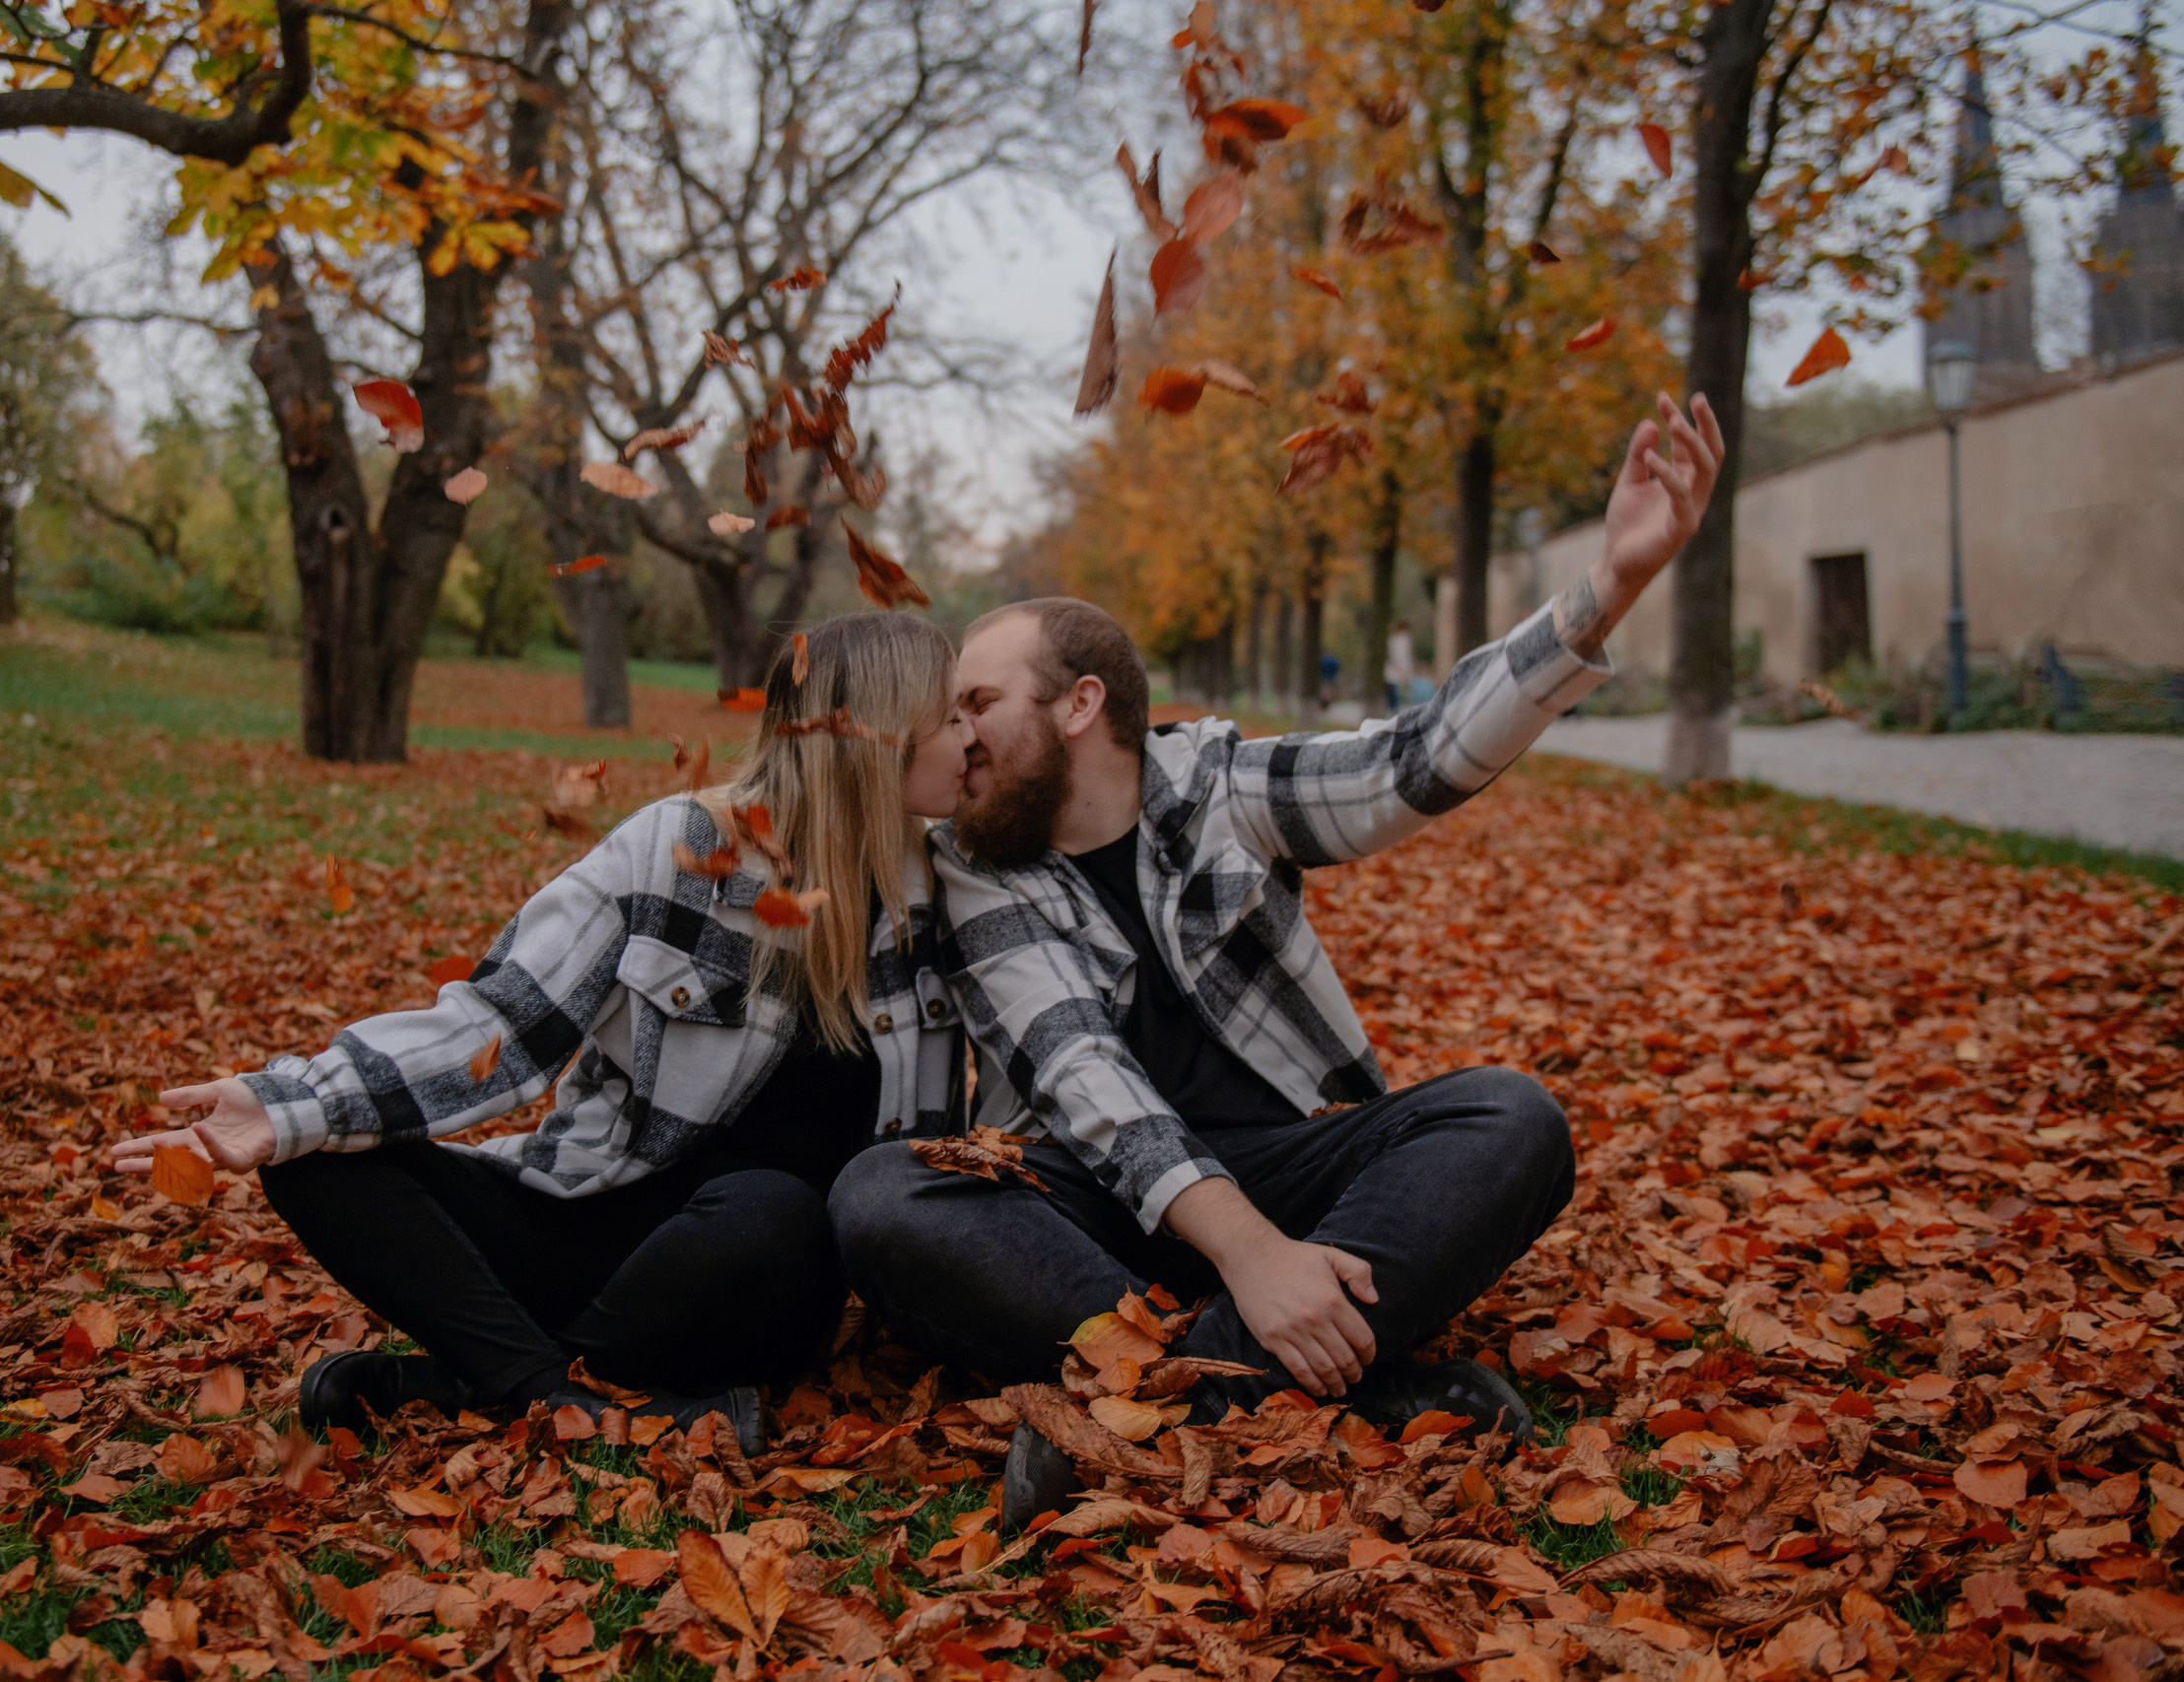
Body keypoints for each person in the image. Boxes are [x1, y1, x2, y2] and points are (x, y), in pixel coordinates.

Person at [831, 395, 1723, 1523]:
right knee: (884, 1191)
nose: (956, 737)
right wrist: (1250, 1260)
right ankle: (1337, 1378)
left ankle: (1151, 1395)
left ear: (1078, 706)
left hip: (1297, 1175)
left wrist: (1612, 584)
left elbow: (1416, 760)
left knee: (1512, 1119)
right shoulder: (972, 862)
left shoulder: (1220, 787)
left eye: (978, 703)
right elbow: (1081, 1079)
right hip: (1093, 1203)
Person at [111, 613, 974, 1448]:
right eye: (952, 715)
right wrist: (290, 1101)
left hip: (759, 1277)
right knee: (311, 1150)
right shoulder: (680, 845)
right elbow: (500, 1023)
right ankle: (550, 1398)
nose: (972, 735)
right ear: (881, 737)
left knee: (770, 1208)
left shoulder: (949, 891)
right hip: (591, 1225)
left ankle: (476, 1384)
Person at [1384, 619, 1415, 711]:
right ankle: (1394, 708)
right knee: (1395, 689)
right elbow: (1400, 656)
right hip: (1397, 669)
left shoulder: (1395, 639)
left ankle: (1394, 707)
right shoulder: (1400, 640)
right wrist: (1402, 668)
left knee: (1395, 689)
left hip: (1397, 669)